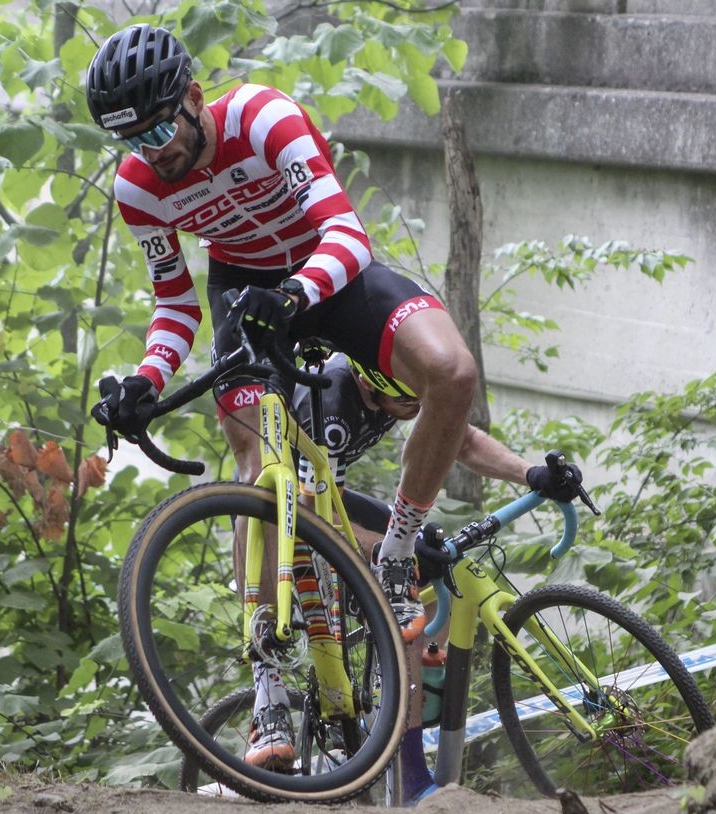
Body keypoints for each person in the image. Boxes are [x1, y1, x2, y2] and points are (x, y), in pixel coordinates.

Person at [84, 24, 480, 773]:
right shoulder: (140, 187)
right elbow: (174, 303)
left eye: (162, 127)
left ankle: (396, 553)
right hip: (245, 291)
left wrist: (298, 290)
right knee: (251, 458)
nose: (153, 150)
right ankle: (267, 684)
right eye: (132, 140)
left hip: (327, 270)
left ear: (196, 97)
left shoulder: (263, 118)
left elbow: (348, 233)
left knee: (453, 371)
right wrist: (145, 380)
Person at [290, 350, 581, 804]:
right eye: (406, 406)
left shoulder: (396, 377)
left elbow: (458, 440)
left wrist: (532, 473)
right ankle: (407, 776)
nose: (413, 411)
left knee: (424, 581)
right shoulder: (333, 399)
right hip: (289, 513)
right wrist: (392, 551)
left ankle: (399, 705)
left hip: (333, 496)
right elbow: (314, 515)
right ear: (370, 386)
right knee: (399, 590)